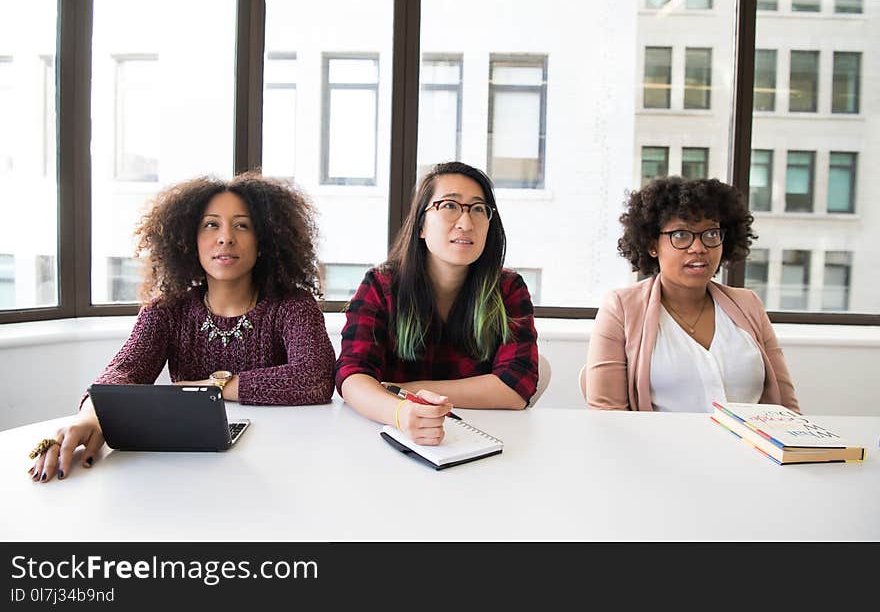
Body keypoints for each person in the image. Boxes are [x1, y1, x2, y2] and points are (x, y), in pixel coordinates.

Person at [29, 172, 336, 483]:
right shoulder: (167, 310)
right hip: (188, 467)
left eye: (242, 225)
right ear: (190, 241)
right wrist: (89, 418)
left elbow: (316, 377)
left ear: (264, 242)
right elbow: (125, 371)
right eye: (211, 225)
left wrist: (210, 388)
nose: (225, 237)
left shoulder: (293, 305)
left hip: (278, 464)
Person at [335, 162, 538, 445]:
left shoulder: (506, 289)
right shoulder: (381, 285)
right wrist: (401, 413)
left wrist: (409, 391)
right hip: (389, 438)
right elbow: (352, 375)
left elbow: (516, 387)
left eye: (478, 209)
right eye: (449, 206)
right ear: (420, 224)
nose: (466, 223)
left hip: (478, 442)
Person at [584, 176, 800, 413]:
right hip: (658, 449)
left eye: (711, 234)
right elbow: (608, 417)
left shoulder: (748, 304)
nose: (699, 248)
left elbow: (787, 410)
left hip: (748, 449)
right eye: (680, 235)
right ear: (652, 244)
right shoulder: (620, 308)